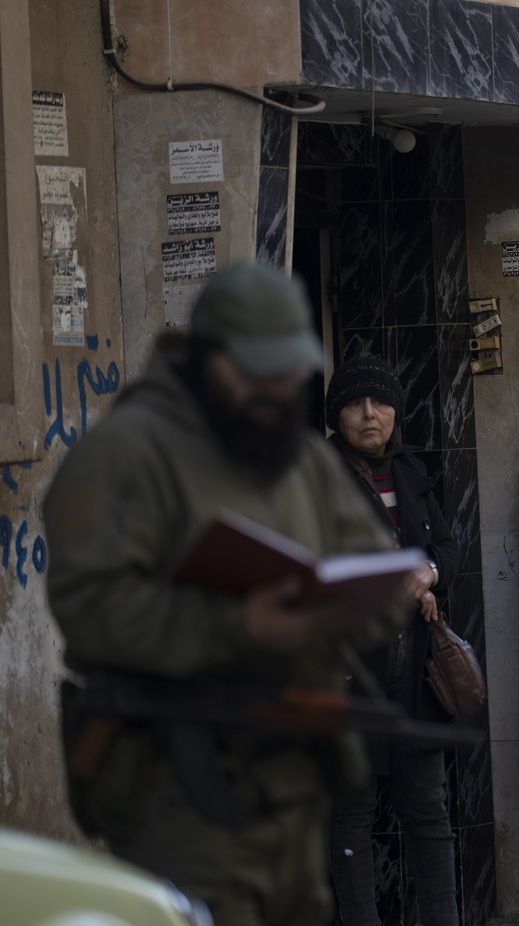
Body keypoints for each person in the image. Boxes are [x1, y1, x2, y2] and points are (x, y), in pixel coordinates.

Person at [44, 263, 405, 926]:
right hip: (178, 790)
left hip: (295, 784)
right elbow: (90, 608)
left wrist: (358, 601)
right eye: (258, 374)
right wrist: (238, 626)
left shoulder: (303, 459)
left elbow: (379, 575)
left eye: (289, 374)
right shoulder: (126, 453)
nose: (277, 391)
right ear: (210, 360)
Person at [324, 356, 462, 926]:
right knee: (353, 813)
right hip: (349, 670)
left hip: (416, 671)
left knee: (428, 811)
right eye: (355, 405)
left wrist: (427, 574)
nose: (369, 415)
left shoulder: (411, 471)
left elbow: (447, 547)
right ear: (337, 416)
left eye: (380, 403)